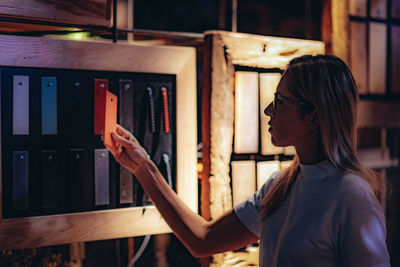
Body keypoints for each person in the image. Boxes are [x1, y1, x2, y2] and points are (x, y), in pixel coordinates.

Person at [104, 54, 390, 266]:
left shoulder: (351, 195)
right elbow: (203, 240)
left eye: (280, 102)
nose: (268, 110)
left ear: (313, 117)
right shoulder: (280, 185)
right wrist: (142, 167)